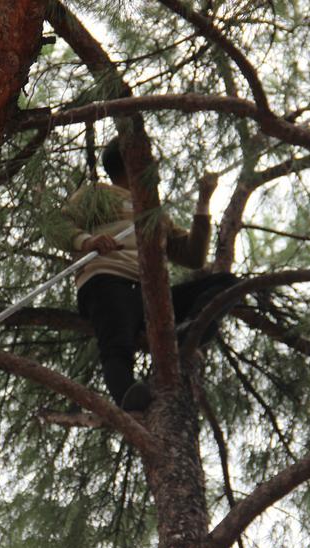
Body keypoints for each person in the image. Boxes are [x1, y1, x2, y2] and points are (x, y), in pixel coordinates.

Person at [48, 138, 237, 411]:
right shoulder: (97, 194)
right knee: (116, 346)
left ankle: (191, 329)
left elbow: (193, 257)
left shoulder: (154, 212)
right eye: (149, 160)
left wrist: (203, 203)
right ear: (131, 160)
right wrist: (86, 241)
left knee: (227, 284)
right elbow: (57, 224)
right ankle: (128, 396)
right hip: (107, 280)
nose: (156, 169)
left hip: (152, 292)